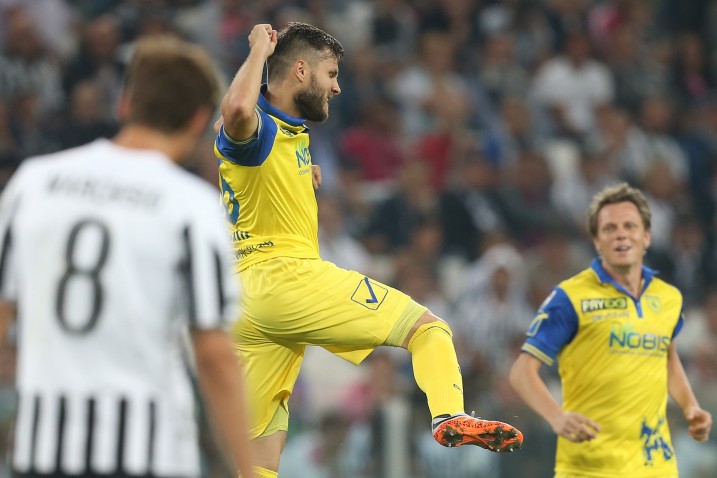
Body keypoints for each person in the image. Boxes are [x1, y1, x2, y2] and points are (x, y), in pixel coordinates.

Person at [214, 22, 524, 478]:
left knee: (259, 464)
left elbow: (245, 153)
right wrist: (260, 47)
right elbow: (237, 108)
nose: (338, 86)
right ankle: (449, 416)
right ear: (300, 70)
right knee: (428, 329)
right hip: (287, 277)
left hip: (245, 299)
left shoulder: (281, 135)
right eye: (332, 72)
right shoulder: (255, 126)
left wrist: (303, 177)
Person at [0, 36, 254, 478]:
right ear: (198, 120)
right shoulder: (191, 206)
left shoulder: (32, 184)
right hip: (146, 449)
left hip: (42, 446)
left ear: (126, 103)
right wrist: (248, 470)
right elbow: (213, 354)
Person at [509, 182, 713, 477]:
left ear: (646, 237)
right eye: (610, 228)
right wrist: (556, 416)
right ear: (597, 241)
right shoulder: (570, 297)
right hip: (590, 467)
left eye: (630, 225)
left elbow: (666, 358)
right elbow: (521, 372)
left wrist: (690, 406)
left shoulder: (669, 298)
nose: (620, 233)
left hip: (656, 467)